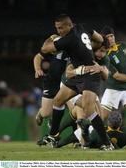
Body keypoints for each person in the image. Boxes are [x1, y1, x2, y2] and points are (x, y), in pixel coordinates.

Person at [40, 14, 113, 150]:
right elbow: (100, 39)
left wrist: (50, 38)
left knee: (88, 110)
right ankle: (53, 135)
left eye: (61, 28)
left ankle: (107, 143)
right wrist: (89, 48)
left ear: (69, 25)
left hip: (90, 75)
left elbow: (44, 49)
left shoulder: (68, 40)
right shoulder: (83, 27)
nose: (59, 31)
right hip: (79, 74)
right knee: (58, 100)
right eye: (57, 28)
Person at [33, 34, 68, 136]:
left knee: (71, 106)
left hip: (67, 82)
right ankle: (41, 112)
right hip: (51, 82)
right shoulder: (52, 49)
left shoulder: (72, 46)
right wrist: (38, 69)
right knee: (46, 113)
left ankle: (76, 138)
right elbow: (37, 57)